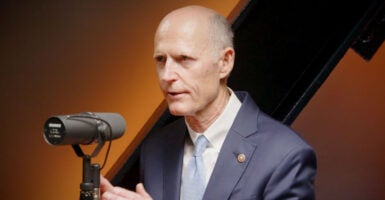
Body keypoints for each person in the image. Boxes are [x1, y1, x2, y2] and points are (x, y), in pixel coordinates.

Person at [100, 5, 317, 200]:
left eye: (184, 59)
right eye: (161, 60)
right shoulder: (155, 148)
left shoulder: (286, 155)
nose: (167, 75)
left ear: (225, 62)